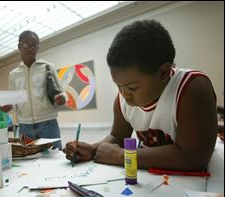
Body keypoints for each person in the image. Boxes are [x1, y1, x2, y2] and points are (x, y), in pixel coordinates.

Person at [63, 19, 218, 171]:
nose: (124, 94)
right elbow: (117, 137)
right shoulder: (123, 99)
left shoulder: (192, 87)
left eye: (132, 87)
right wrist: (93, 149)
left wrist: (123, 156)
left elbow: (193, 157)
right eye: (118, 86)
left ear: (163, 72)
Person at [7, 30, 66, 150]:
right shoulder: (13, 75)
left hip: (48, 124)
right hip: (24, 126)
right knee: (29, 163)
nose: (30, 49)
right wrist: (7, 107)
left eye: (34, 45)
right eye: (26, 45)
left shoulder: (48, 67)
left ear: (38, 47)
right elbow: (13, 104)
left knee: (55, 160)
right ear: (19, 46)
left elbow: (61, 92)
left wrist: (61, 98)